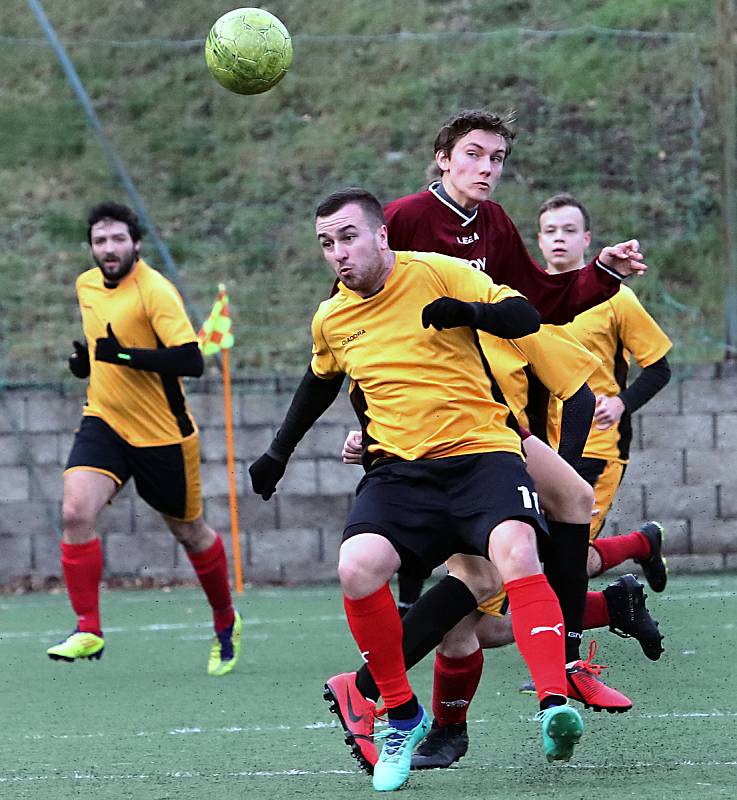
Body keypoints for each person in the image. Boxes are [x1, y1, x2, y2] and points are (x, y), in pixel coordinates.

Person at [249, 188, 585, 792]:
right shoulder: (332, 317)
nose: (338, 253)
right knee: (356, 568)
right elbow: (320, 382)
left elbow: (525, 317)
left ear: (382, 235)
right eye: (327, 244)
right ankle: (402, 714)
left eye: (348, 237)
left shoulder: (438, 273)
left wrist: (468, 313)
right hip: (402, 474)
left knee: (514, 554)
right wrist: (278, 452)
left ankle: (554, 702)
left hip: (482, 454)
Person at [47, 202, 242, 677]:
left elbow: (191, 362)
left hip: (163, 436)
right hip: (105, 421)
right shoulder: (86, 285)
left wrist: (125, 357)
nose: (108, 249)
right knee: (75, 511)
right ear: (91, 247)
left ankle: (225, 620)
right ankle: (88, 627)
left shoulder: (156, 291)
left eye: (117, 240)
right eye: (100, 241)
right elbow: (104, 350)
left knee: (189, 532)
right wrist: (88, 365)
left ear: (136, 243)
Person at [537, 193, 672, 588]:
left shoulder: (617, 298)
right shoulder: (525, 298)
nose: (559, 238)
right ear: (539, 241)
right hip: (540, 447)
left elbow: (658, 367)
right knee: (537, 554)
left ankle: (635, 549)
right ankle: (640, 545)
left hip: (597, 445)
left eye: (569, 230)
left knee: (564, 560)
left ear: (586, 239)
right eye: (550, 231)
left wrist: (621, 403)